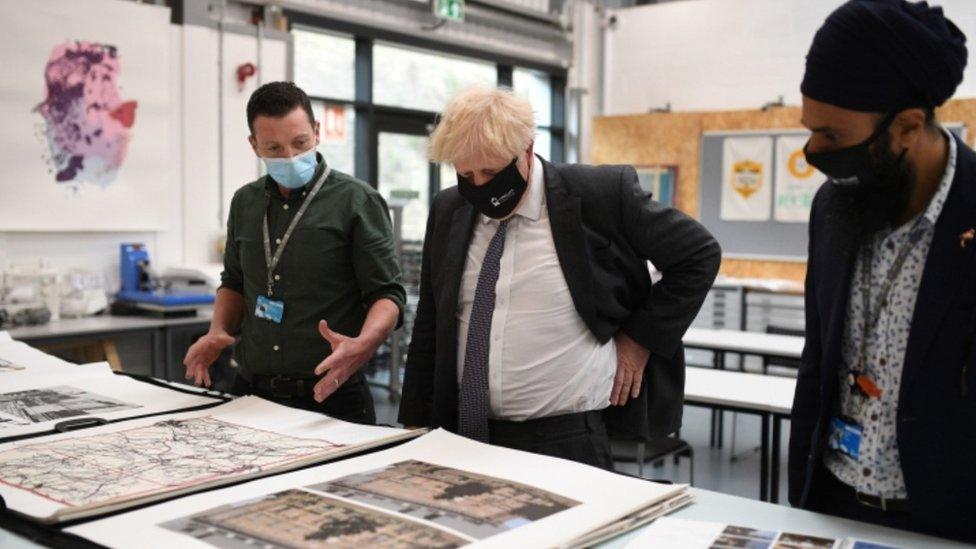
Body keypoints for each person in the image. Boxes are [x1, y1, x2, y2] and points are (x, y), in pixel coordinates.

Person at [398, 86, 721, 468]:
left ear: (528, 148)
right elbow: (432, 322)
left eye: (491, 171)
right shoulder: (450, 207)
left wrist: (640, 340)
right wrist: (414, 427)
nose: (480, 185)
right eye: (466, 173)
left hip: (565, 439)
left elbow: (699, 254)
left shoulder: (597, 194)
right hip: (466, 431)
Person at [789, 0, 975, 542]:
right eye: (810, 130)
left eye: (833, 137)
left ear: (907, 127)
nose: (812, 153)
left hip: (947, 518)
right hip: (831, 501)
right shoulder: (833, 208)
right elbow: (818, 359)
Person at [183, 82, 405, 424]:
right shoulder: (246, 203)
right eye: (273, 147)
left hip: (332, 395)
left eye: (299, 143)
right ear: (254, 144)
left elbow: (387, 293)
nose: (289, 157)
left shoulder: (356, 201)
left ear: (316, 133)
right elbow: (234, 282)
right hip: (252, 393)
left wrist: (364, 343)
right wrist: (217, 330)